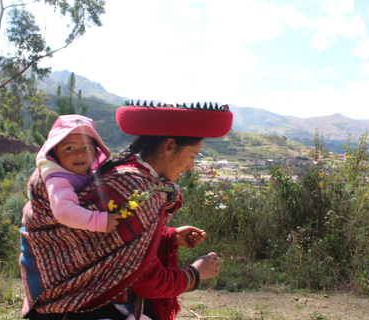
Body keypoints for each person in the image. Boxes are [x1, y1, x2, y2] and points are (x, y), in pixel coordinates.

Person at [20, 101, 234, 320]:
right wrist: (196, 273)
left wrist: (168, 236)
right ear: (169, 146)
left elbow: (117, 239)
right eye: (192, 155)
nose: (191, 166)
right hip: (90, 310)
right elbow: (144, 279)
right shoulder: (135, 188)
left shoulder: (130, 175)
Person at [30, 114, 120, 233]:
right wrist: (99, 221)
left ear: (95, 153)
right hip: (36, 238)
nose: (79, 154)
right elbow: (63, 212)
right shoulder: (57, 178)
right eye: (70, 148)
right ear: (55, 152)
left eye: (86, 148)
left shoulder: (81, 171)